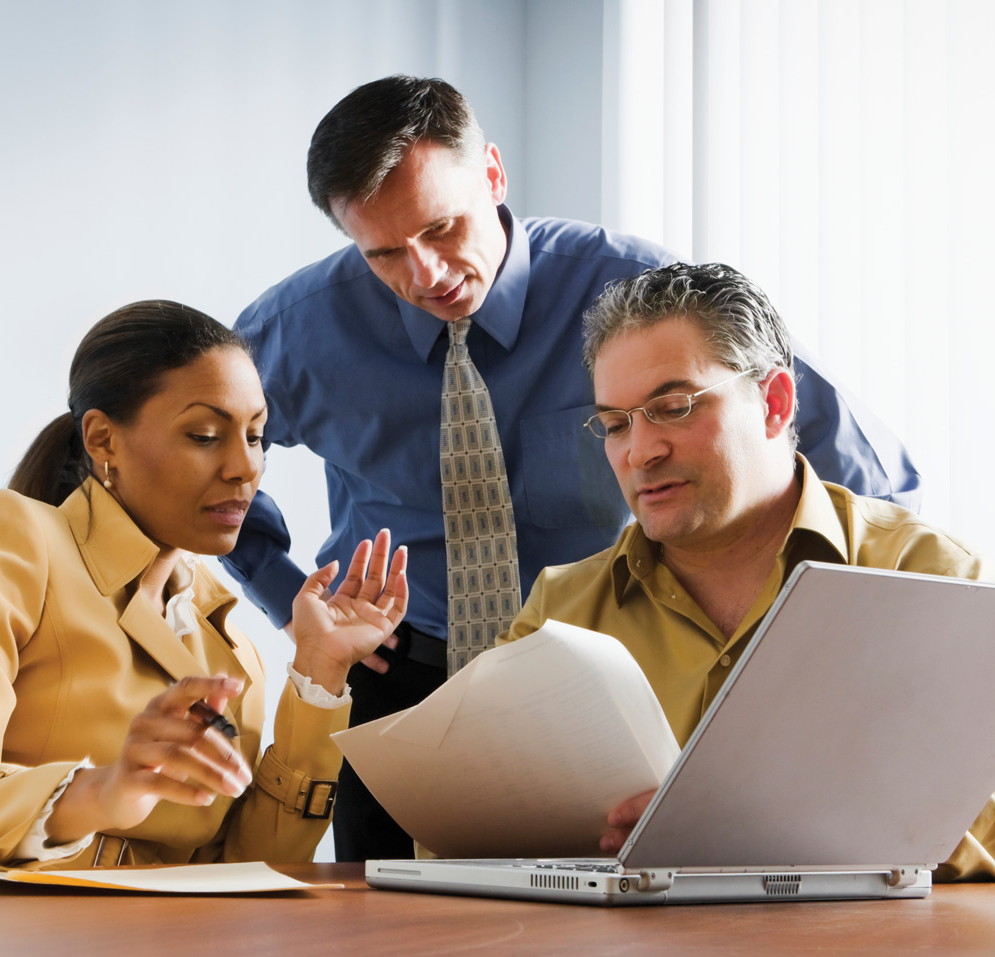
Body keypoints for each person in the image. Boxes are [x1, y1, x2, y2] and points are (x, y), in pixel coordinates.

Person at [220, 74, 922, 862]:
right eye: (384, 253)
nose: (424, 275)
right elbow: (200, 464)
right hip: (401, 679)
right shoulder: (299, 327)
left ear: (492, 174)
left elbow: (867, 468)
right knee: (387, 923)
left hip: (609, 674)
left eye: (443, 228)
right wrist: (285, 595)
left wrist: (798, 640)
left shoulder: (631, 289)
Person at [0, 300, 408, 883]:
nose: (244, 467)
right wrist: (100, 792)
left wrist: (319, 671)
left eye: (254, 436)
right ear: (102, 440)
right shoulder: (10, 541)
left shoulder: (229, 649)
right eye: (204, 435)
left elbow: (243, 869)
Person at [496, 262, 994, 880]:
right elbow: (460, 834)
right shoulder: (558, 611)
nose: (640, 452)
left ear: (774, 403)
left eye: (673, 407)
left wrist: (778, 826)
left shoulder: (933, 578)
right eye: (617, 425)